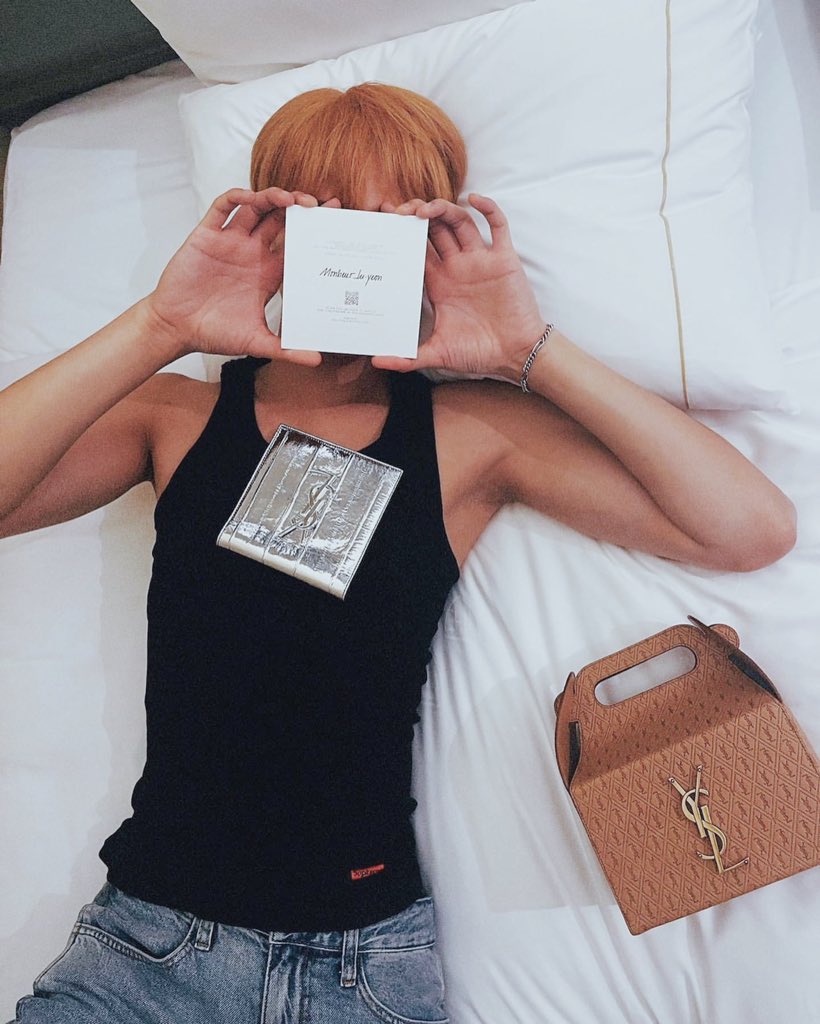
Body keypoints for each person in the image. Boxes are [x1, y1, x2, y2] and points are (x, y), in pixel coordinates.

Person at [2, 83, 795, 1024]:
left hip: (361, 967)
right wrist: (160, 326)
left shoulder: (470, 433)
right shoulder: (176, 415)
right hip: (146, 951)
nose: (360, 245)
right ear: (276, 233)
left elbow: (750, 528)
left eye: (394, 222)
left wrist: (528, 347)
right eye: (330, 216)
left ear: (430, 247)